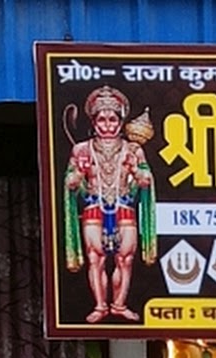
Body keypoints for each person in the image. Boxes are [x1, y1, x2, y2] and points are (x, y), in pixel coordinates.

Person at [63, 85, 157, 323]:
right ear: (93, 122)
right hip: (94, 206)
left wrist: (135, 169)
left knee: (126, 259)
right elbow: (70, 184)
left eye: (112, 119)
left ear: (120, 121)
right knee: (96, 258)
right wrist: (80, 172)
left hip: (124, 206)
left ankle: (119, 304)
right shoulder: (81, 149)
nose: (107, 125)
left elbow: (146, 182)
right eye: (102, 120)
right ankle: (100, 306)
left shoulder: (133, 149)